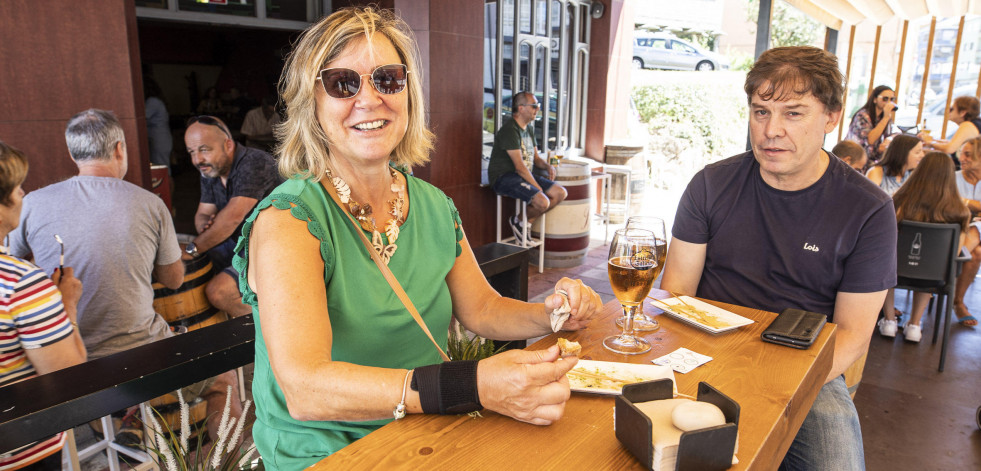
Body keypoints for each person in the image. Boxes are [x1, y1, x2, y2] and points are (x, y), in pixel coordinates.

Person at [238, 7, 601, 469]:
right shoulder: (289, 221)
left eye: (388, 79)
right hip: (328, 455)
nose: (369, 99)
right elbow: (306, 390)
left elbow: (483, 309)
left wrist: (552, 316)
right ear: (312, 103)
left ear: (409, 92)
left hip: (427, 434)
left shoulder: (431, 203)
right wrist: (473, 386)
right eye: (343, 83)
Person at [661, 46, 897, 471]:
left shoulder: (868, 209)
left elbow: (852, 335)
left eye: (793, 113)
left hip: (806, 364)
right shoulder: (711, 184)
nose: (771, 131)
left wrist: (772, 388)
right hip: (704, 349)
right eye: (761, 111)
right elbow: (677, 291)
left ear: (831, 117)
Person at [7, 109, 241, 442]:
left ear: (74, 154)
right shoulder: (149, 203)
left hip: (60, 361)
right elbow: (174, 280)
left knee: (106, 400)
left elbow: (11, 261)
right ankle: (228, 460)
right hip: (139, 355)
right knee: (225, 381)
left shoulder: (30, 203)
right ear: (120, 149)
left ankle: (119, 426)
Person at [0, 141, 85, 471]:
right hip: (20, 449)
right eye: (18, 187)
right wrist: (67, 306)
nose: (23, 194)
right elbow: (68, 380)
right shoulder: (22, 283)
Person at [184, 115, 282, 317]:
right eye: (192, 152)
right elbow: (203, 213)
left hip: (273, 245)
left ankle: (276, 329)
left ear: (228, 145)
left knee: (219, 292)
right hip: (240, 244)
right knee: (194, 272)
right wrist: (206, 225)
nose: (197, 160)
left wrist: (194, 249)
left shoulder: (254, 162)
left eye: (204, 149)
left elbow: (233, 217)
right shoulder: (210, 169)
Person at [878, 152, 977, 341]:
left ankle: (889, 321)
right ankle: (914, 325)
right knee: (931, 264)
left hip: (894, 271)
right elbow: (955, 252)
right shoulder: (960, 211)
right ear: (950, 176)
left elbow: (886, 240)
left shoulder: (898, 202)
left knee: (888, 263)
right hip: (934, 276)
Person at [487, 91, 567, 243]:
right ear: (521, 108)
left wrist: (548, 166)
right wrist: (538, 188)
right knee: (542, 201)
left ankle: (523, 223)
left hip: (522, 175)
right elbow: (519, 167)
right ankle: (518, 221)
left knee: (559, 193)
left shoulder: (528, 128)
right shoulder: (510, 130)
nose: (537, 109)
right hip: (504, 177)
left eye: (538, 106)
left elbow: (536, 159)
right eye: (534, 106)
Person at [952, 136, 981, 327]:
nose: (962, 158)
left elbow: (957, 202)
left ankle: (950, 264)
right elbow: (947, 205)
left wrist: (965, 202)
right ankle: (958, 302)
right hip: (954, 229)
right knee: (977, 253)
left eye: (968, 154)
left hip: (971, 231)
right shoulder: (952, 178)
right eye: (961, 153)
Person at [846, 85, 896, 164]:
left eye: (892, 99)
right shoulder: (862, 116)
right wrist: (886, 118)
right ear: (875, 99)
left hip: (871, 160)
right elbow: (870, 140)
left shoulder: (884, 117)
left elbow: (894, 132)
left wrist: (889, 139)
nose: (889, 103)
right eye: (885, 99)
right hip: (854, 160)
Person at [144, 77, 173, 170]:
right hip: (160, 138)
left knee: (162, 169)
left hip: (159, 139)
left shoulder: (153, 101)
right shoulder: (155, 100)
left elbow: (143, 118)